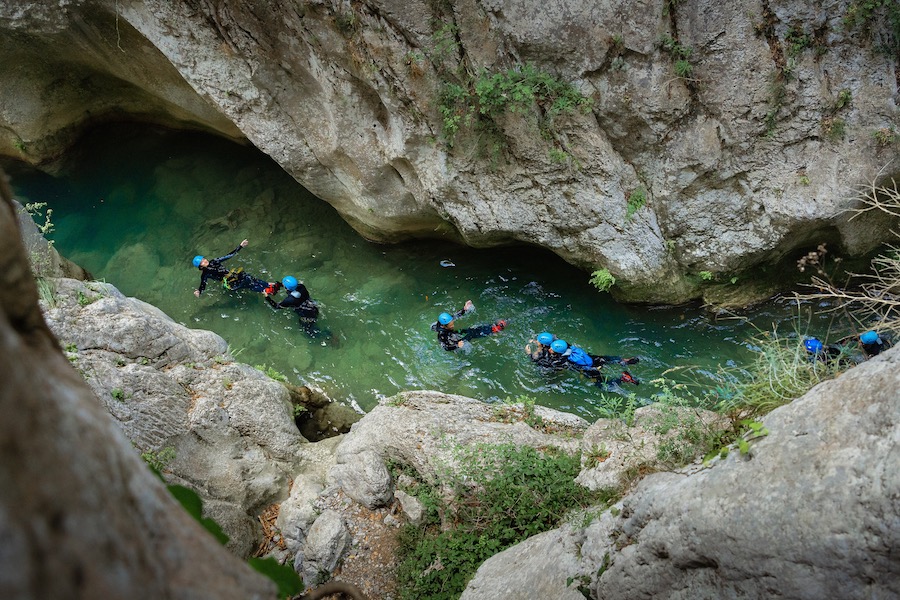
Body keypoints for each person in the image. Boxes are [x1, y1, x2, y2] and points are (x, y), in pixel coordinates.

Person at [192, 239, 273, 297]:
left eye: (204, 259)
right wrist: (199, 292)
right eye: (202, 262)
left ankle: (268, 284)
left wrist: (240, 246)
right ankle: (266, 291)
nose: (205, 261)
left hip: (234, 276)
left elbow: (229, 255)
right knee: (249, 283)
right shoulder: (205, 274)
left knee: (250, 278)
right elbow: (203, 285)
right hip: (231, 283)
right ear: (201, 266)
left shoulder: (214, 261)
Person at [555, 339, 640, 387]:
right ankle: (624, 361)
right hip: (594, 359)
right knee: (605, 359)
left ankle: (623, 379)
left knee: (603, 386)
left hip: (590, 370)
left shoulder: (563, 359)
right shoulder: (568, 346)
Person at [265, 275, 328, 339]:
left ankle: (327, 337)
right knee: (312, 326)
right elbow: (291, 288)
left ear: (286, 287)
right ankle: (327, 334)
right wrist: (279, 285)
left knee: (310, 333)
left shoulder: (290, 300)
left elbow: (276, 306)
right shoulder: (301, 287)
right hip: (314, 308)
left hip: (307, 316)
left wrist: (267, 297)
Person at [431, 300, 507, 351]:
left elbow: (456, 315)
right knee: (470, 335)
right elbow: (445, 347)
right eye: (450, 325)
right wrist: (457, 345)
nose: (453, 326)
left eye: (452, 323)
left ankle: (492, 328)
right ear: (444, 326)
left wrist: (464, 309)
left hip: (453, 334)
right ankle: (493, 330)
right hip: (452, 341)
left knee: (470, 330)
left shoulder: (445, 321)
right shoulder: (442, 335)